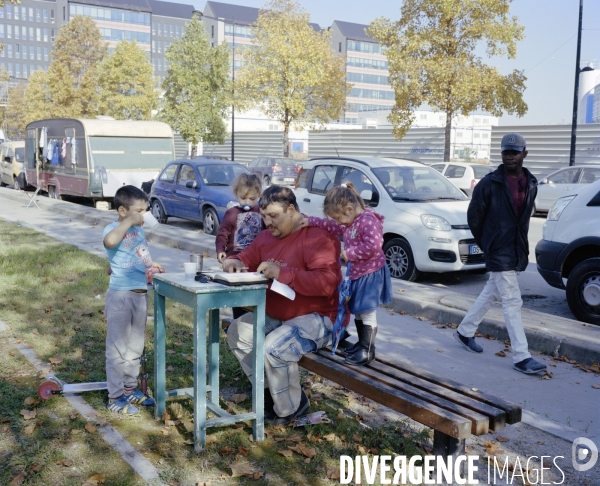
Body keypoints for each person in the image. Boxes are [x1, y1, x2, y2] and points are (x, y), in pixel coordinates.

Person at [223, 185, 341, 425]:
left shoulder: (319, 237)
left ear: (291, 210)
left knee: (274, 347)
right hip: (278, 317)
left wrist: (283, 273)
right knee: (237, 331)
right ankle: (270, 393)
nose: (267, 222)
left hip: (319, 318)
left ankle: (292, 410)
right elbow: (244, 259)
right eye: (264, 216)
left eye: (274, 216)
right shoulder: (266, 236)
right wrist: (232, 262)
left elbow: (327, 284)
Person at [454, 133, 547, 375]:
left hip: (515, 247)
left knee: (491, 292)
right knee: (512, 300)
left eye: (515, 152)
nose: (510, 157)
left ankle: (464, 332)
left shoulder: (531, 183)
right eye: (506, 152)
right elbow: (474, 217)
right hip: (498, 248)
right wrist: (488, 243)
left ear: (524, 154)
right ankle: (521, 356)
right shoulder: (489, 183)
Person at [300, 182, 391, 366]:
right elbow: (332, 227)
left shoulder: (367, 220)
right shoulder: (351, 221)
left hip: (370, 274)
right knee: (358, 310)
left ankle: (368, 350)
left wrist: (349, 254)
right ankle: (362, 344)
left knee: (366, 312)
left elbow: (374, 246)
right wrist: (311, 221)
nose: (339, 222)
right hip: (359, 274)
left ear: (349, 209)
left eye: (339, 217)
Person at [103, 185, 164, 414]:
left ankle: (130, 389)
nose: (144, 215)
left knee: (134, 347)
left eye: (145, 210)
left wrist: (151, 264)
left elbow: (138, 254)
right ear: (122, 211)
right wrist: (129, 222)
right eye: (139, 211)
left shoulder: (138, 231)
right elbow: (110, 242)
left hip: (140, 295)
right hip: (120, 296)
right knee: (117, 348)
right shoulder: (114, 228)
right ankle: (115, 396)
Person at [215, 173, 264, 320]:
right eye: (243, 198)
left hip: (255, 263)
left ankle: (252, 325)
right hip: (234, 263)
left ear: (259, 195)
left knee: (255, 297)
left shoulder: (262, 212)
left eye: (252, 199)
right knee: (238, 298)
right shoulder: (232, 213)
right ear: (236, 194)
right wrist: (220, 250)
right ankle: (237, 323)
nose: (247, 202)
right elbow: (222, 234)